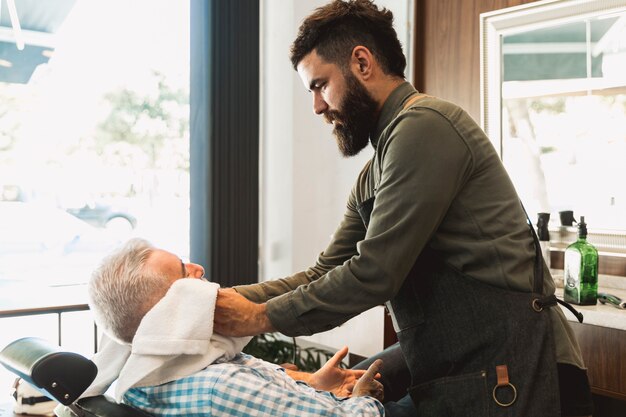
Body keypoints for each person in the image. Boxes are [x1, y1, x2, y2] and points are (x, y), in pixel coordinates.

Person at [213, 1, 593, 416]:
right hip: (463, 371)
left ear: (361, 62)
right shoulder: (375, 171)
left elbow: (373, 275)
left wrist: (257, 317)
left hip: (520, 370)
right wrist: (220, 300)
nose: (317, 107)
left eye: (320, 85)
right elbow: (323, 274)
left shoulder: (425, 126)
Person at [86, 238, 385, 417]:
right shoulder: (220, 386)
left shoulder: (144, 377)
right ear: (168, 310)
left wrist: (311, 385)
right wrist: (365, 397)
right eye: (183, 271)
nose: (198, 269)